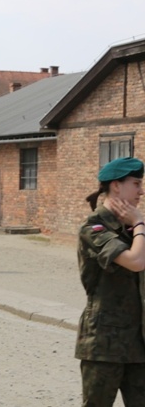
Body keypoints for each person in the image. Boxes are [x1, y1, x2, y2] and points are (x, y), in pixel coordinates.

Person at [77, 157, 145, 406]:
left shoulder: (134, 228)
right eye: (136, 184)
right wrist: (139, 223)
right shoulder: (93, 227)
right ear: (117, 186)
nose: (141, 191)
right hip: (105, 343)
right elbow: (135, 261)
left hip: (139, 340)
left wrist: (137, 225)